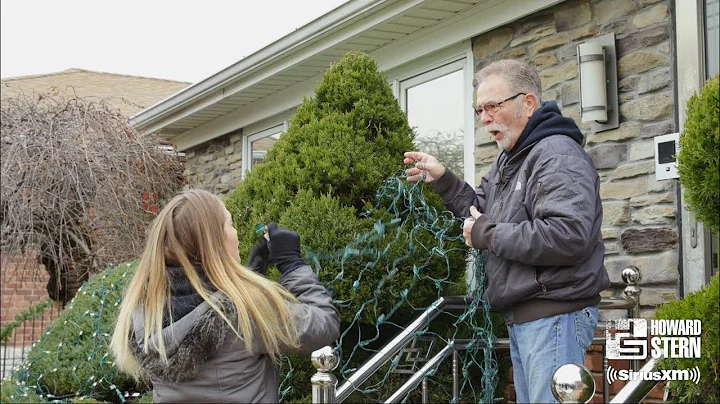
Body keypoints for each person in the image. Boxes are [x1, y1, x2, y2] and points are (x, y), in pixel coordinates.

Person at [403, 59, 610, 403]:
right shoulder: (510, 159)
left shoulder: (556, 154)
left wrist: (488, 235)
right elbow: (479, 211)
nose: (484, 118)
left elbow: (567, 235)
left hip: (555, 317)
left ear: (528, 103)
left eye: (492, 106)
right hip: (528, 319)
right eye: (479, 109)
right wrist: (444, 179)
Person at [110, 189, 340, 403]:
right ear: (216, 241)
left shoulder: (143, 311)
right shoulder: (243, 311)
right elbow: (324, 325)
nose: (236, 233)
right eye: (230, 224)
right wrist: (292, 264)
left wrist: (249, 277)